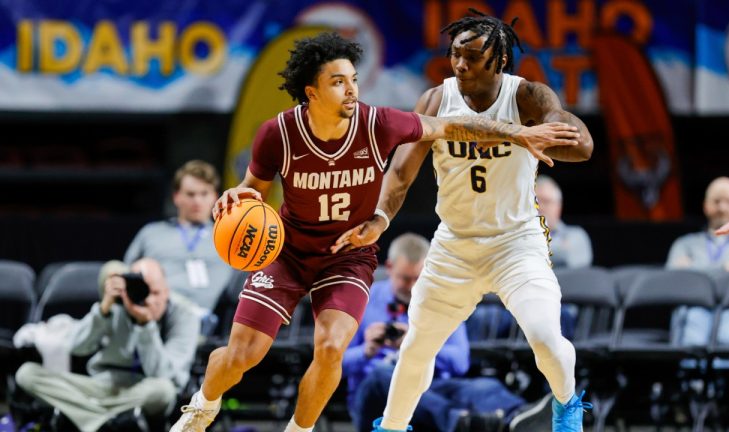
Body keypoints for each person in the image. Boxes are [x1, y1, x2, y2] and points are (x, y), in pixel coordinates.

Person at [170, 32, 579, 432]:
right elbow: (253, 192)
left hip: (348, 253)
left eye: (353, 80)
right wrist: (236, 198)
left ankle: (300, 429)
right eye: (338, 82)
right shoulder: (278, 132)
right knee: (244, 354)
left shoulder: (376, 122)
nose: (351, 90)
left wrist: (516, 131)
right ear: (311, 92)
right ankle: (203, 407)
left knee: (331, 348)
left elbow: (448, 128)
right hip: (288, 253)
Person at [331, 11, 594, 432]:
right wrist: (380, 217)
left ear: (500, 61)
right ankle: (392, 427)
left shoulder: (527, 96)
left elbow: (583, 149)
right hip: (454, 246)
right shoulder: (436, 100)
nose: (459, 65)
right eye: (455, 53)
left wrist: (558, 125)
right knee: (416, 347)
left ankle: (566, 408)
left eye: (471, 57)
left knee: (546, 338)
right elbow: (400, 172)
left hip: (515, 243)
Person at [344, 233, 547, 432]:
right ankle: (457, 421)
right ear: (389, 267)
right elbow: (334, 363)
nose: (413, 287)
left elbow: (460, 362)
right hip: (374, 394)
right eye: (405, 279)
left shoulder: (441, 300)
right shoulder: (363, 299)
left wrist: (420, 343)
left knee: (484, 386)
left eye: (418, 278)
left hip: (431, 389)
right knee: (383, 376)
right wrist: (367, 350)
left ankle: (521, 418)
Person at [14, 258, 200, 432]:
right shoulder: (119, 302)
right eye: (143, 292)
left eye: (156, 293)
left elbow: (165, 375)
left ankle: (83, 414)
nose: (149, 300)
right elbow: (76, 347)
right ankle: (104, 422)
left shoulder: (185, 316)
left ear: (167, 290)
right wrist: (103, 310)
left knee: (164, 390)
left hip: (143, 391)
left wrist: (146, 325)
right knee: (26, 373)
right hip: (101, 386)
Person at [666, 176, 729, 346]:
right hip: (694, 306)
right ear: (705, 206)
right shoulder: (685, 244)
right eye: (716, 201)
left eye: (728, 201)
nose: (722, 207)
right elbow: (673, 279)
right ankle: (691, 373)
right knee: (693, 329)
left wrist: (694, 270)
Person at [124, 160, 233, 315]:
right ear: (176, 197)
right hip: (158, 314)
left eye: (204, 194)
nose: (197, 201)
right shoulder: (151, 233)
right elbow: (127, 274)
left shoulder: (230, 235)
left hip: (210, 318)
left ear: (215, 197)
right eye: (190, 194)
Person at [535, 175, 593, 268]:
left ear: (558, 206)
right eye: (535, 202)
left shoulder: (576, 235)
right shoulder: (515, 234)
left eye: (546, 201)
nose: (540, 208)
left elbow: (568, 256)